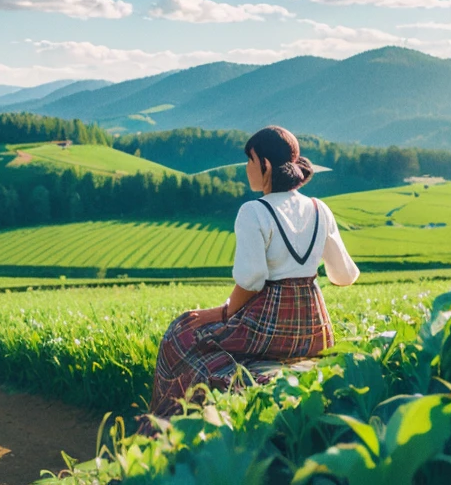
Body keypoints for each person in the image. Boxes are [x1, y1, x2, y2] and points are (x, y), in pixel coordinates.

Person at [147, 125, 360, 419]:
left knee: (182, 333)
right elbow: (345, 276)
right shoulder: (320, 209)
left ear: (266, 165)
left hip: (267, 327)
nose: (246, 169)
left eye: (249, 160)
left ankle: (166, 426)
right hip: (315, 330)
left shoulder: (253, 211)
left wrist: (220, 313)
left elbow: (252, 280)